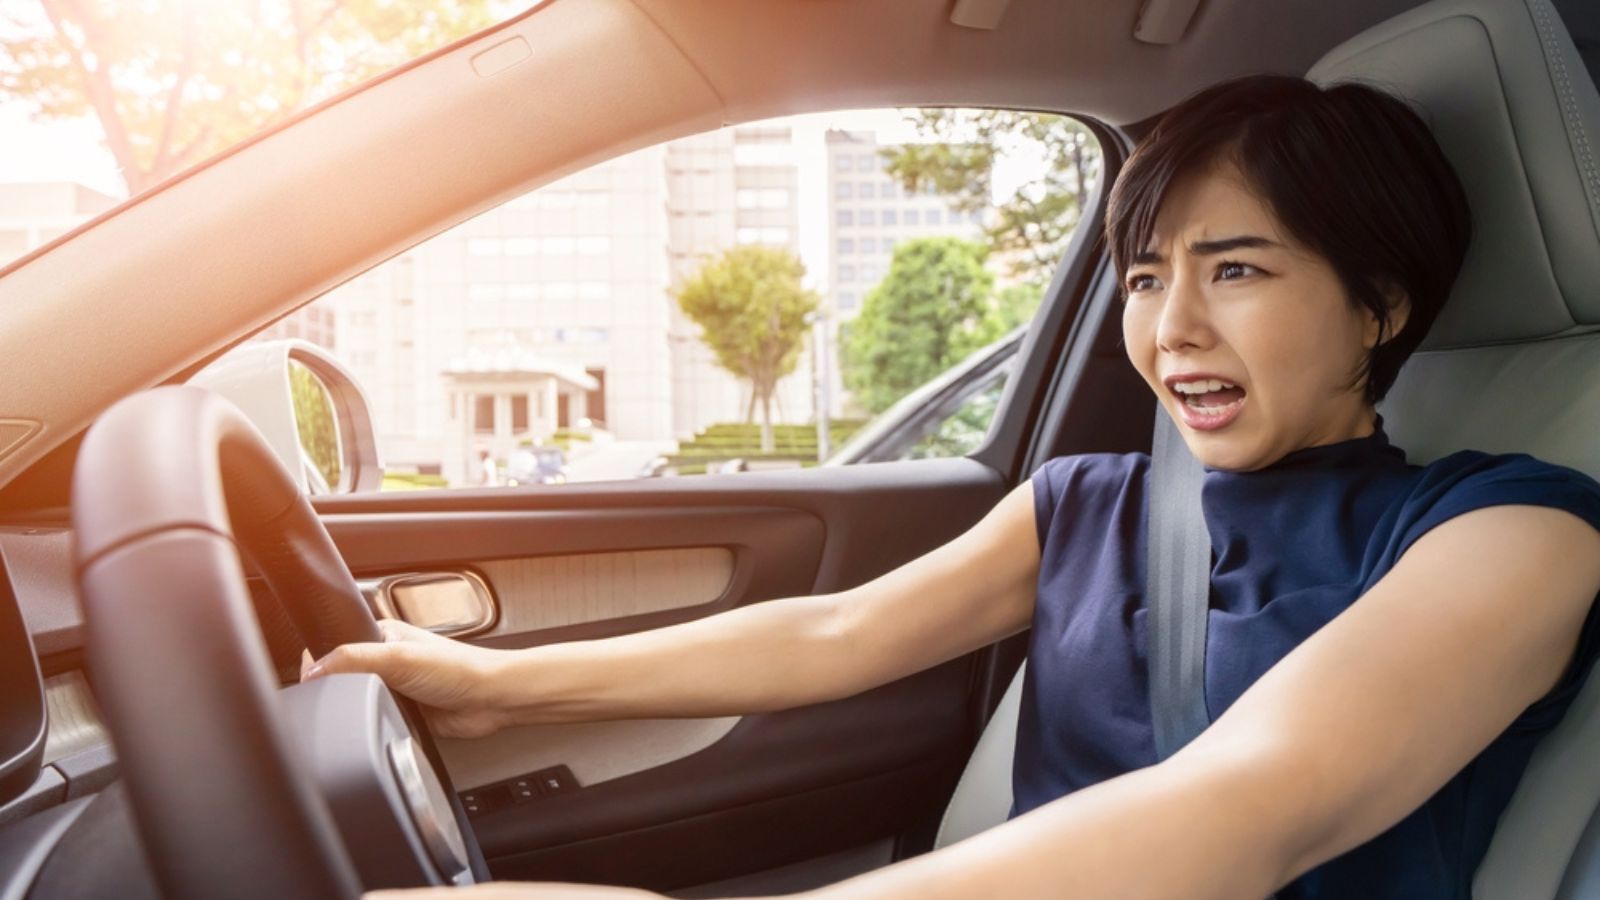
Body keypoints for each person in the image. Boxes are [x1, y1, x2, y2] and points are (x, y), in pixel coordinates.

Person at [308, 75, 1600, 899]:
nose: (1172, 329)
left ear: (1380, 304)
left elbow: (1256, 804)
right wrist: (489, 686)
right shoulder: (1086, 500)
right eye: (1147, 277)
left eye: (1239, 270)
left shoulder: (1515, 530)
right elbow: (835, 634)